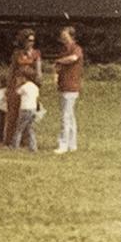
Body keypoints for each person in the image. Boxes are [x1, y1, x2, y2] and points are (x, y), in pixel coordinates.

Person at [1, 27, 42, 147]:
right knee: (13, 113)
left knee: (26, 114)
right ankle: (9, 140)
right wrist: (8, 86)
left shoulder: (36, 54)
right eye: (29, 40)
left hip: (29, 86)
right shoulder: (17, 54)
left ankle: (24, 141)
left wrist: (32, 76)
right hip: (16, 85)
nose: (31, 43)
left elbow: (38, 73)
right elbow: (12, 70)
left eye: (32, 41)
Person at [52, 26, 85, 155]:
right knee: (70, 116)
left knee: (66, 116)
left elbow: (73, 58)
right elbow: (58, 67)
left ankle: (63, 144)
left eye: (65, 36)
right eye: (62, 36)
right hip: (64, 85)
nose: (63, 38)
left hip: (71, 86)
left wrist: (59, 61)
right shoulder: (64, 50)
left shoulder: (76, 49)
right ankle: (72, 144)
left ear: (72, 36)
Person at [11, 66, 41, 152]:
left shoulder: (24, 87)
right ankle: (33, 147)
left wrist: (18, 84)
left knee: (19, 128)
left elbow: (17, 92)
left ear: (24, 77)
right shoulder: (35, 87)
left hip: (25, 109)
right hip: (33, 109)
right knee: (30, 129)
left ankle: (14, 145)